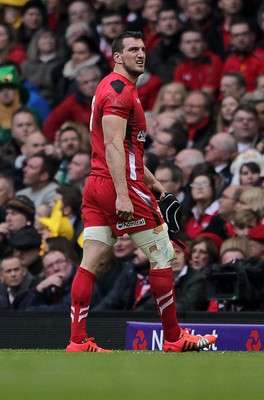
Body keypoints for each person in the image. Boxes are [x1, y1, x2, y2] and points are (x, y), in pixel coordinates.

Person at [66, 31, 216, 353]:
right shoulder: (120, 92)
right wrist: (124, 193)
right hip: (118, 186)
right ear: (117, 56)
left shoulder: (113, 87)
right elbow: (112, 146)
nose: (141, 54)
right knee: (162, 253)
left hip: (97, 184)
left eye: (144, 49)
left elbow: (125, 147)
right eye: (133, 49)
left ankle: (77, 340)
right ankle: (174, 338)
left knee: (92, 259)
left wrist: (152, 181)